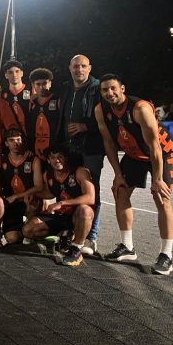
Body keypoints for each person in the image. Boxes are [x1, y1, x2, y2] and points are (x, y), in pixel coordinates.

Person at [95, 74, 173, 275]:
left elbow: (155, 146)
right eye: (105, 90)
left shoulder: (140, 108)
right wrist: (117, 174)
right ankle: (127, 247)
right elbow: (108, 143)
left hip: (160, 153)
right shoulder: (101, 110)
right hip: (133, 154)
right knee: (120, 190)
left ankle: (166, 255)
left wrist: (157, 179)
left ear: (122, 88)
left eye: (113, 88)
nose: (109, 93)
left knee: (161, 197)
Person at [58, 54, 104, 256]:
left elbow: (107, 117)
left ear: (90, 67)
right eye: (76, 66)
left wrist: (86, 126)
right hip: (70, 148)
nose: (79, 70)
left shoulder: (97, 88)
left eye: (83, 66)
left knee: (93, 191)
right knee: (72, 189)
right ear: (70, 68)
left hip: (91, 149)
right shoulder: (66, 88)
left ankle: (92, 237)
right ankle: (73, 231)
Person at [21, 143, 96, 267]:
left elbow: (90, 197)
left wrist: (61, 203)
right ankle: (62, 237)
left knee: (85, 210)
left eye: (60, 157)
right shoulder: (48, 175)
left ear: (66, 158)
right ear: (49, 161)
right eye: (53, 157)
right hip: (61, 216)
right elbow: (49, 193)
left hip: (77, 217)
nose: (57, 160)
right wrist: (35, 195)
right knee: (27, 230)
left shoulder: (80, 171)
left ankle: (76, 248)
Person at [0, 128, 43, 245]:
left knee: (33, 201)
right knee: (12, 238)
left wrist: (17, 196)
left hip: (28, 200)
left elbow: (39, 187)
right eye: (11, 140)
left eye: (18, 140)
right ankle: (18, 230)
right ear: (6, 143)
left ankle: (30, 229)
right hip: (12, 203)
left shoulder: (33, 160)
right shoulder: (0, 160)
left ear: (22, 141)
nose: (15, 143)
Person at [26, 68, 61, 160]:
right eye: (38, 84)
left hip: (54, 150)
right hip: (36, 148)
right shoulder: (32, 102)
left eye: (44, 83)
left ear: (50, 83)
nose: (41, 87)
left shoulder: (57, 100)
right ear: (33, 85)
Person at [0, 60, 31, 133]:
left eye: (17, 71)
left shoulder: (31, 90)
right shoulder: (1, 93)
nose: (14, 75)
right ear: (6, 75)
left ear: (22, 73)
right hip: (11, 134)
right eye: (10, 72)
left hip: (29, 131)